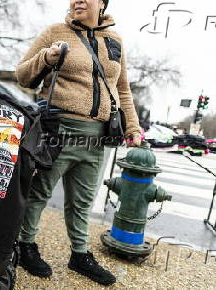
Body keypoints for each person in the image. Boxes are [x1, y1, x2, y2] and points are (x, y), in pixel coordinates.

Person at [15, 0, 141, 286]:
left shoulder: (115, 40)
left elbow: (122, 88)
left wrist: (132, 127)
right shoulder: (54, 32)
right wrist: (46, 59)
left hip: (97, 135)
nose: (77, 1)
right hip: (60, 128)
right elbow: (22, 75)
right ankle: (25, 246)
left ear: (102, 3)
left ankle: (80, 255)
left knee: (83, 202)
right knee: (39, 192)